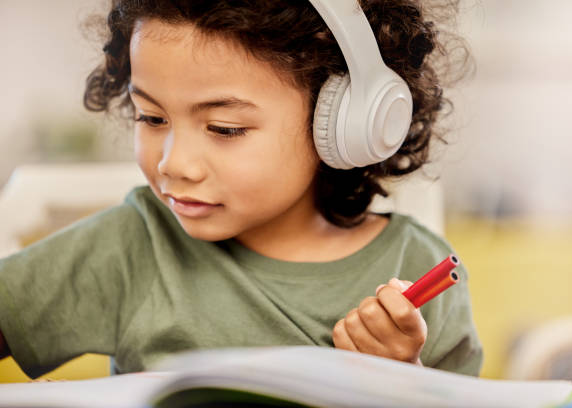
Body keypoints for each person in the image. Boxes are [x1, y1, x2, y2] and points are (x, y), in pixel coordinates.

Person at [0, 0, 482, 378]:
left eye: (224, 128)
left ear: (342, 124)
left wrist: (405, 381)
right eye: (151, 117)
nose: (173, 163)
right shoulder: (136, 244)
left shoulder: (417, 273)